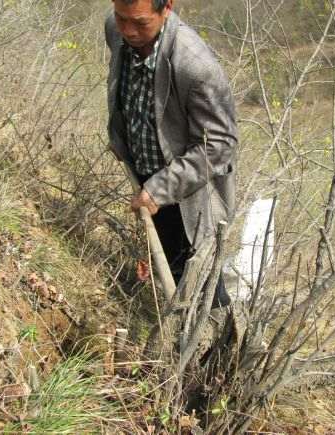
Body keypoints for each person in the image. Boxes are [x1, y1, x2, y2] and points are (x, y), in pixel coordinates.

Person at [105, 0, 237, 307]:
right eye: (121, 18)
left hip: (188, 189)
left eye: (140, 23)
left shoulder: (195, 65)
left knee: (201, 282)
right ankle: (174, 332)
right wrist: (121, 135)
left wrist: (161, 189)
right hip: (146, 175)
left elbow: (219, 145)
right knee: (167, 265)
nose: (128, 31)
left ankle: (219, 349)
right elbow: (125, 84)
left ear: (166, 8)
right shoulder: (114, 28)